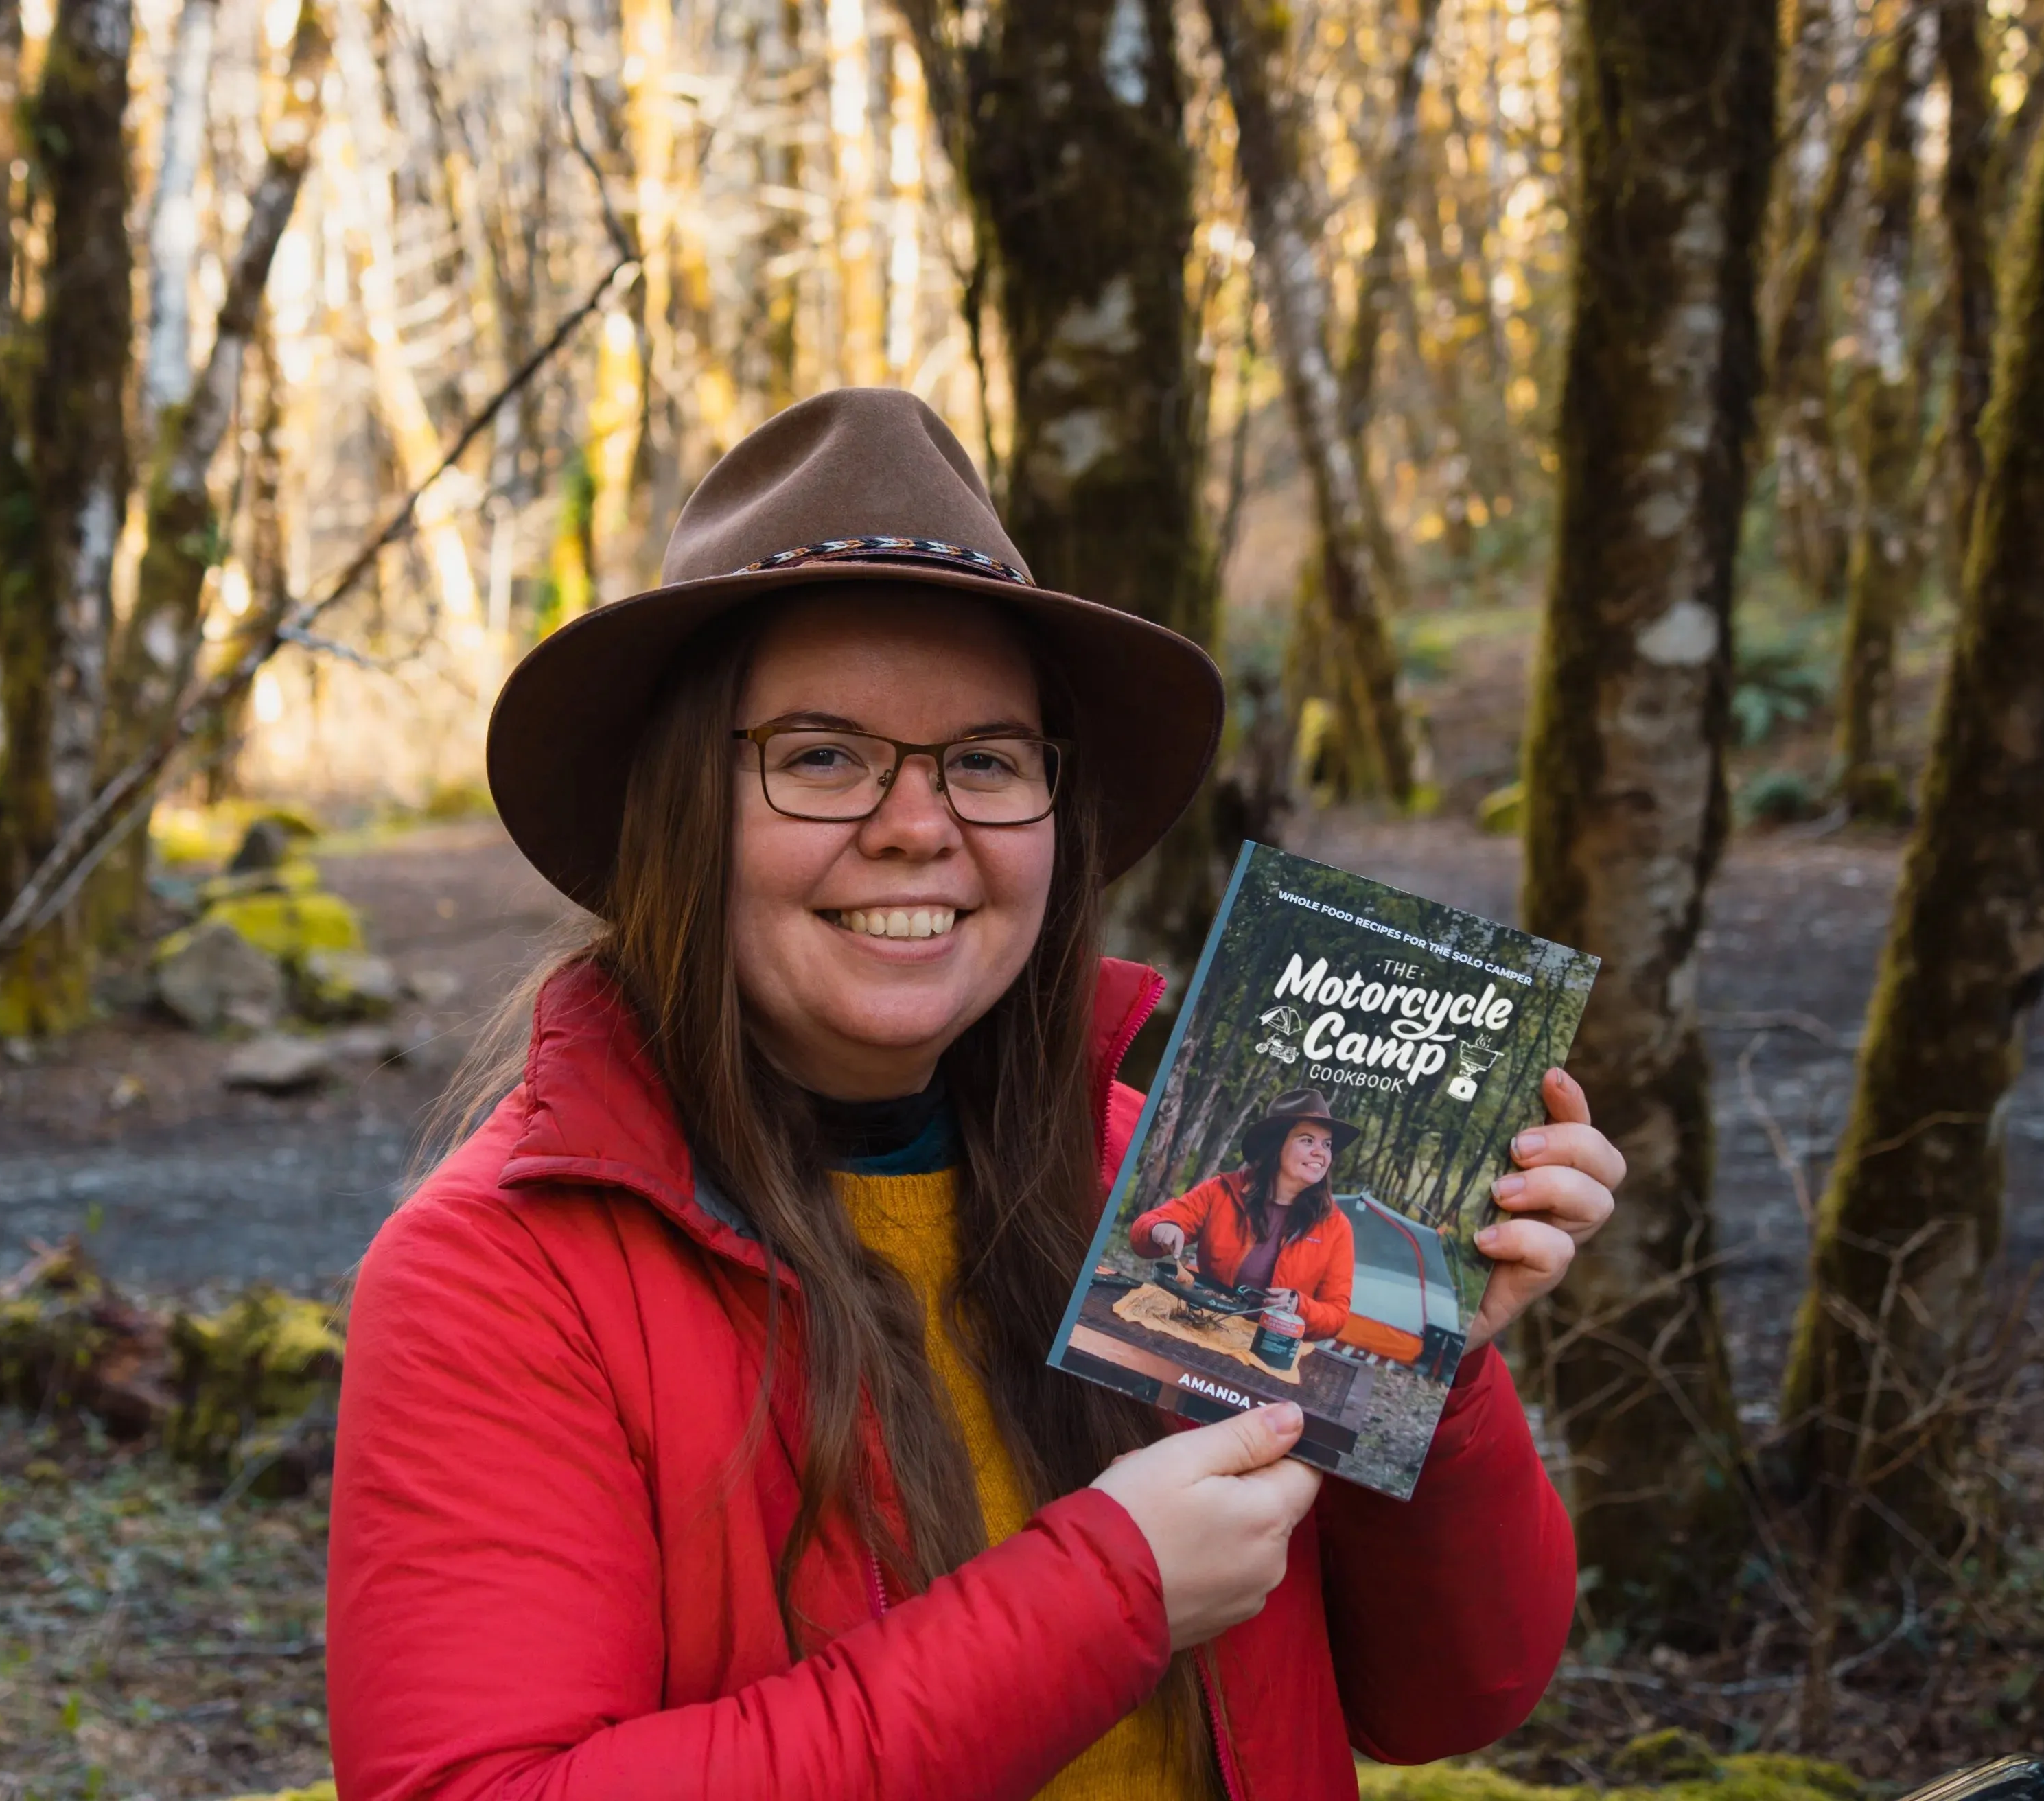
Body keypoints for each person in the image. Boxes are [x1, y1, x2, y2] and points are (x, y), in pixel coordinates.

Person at [325, 389, 1627, 1801]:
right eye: (823, 755)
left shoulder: (1155, 1183)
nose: (919, 826)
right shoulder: (503, 1275)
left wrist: (1413, 1363)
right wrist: (1107, 1590)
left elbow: (1454, 1692)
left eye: (986, 762)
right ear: (681, 810)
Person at [1130, 1089, 1360, 1341]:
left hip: (1271, 1347)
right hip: (1199, 1326)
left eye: (1326, 1144)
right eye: (1307, 1141)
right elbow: (1145, 1230)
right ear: (1276, 1146)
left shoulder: (1335, 1227)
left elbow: (1336, 1315)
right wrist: (1160, 1228)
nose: (1321, 1152)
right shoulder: (1222, 1192)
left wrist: (1299, 1306)